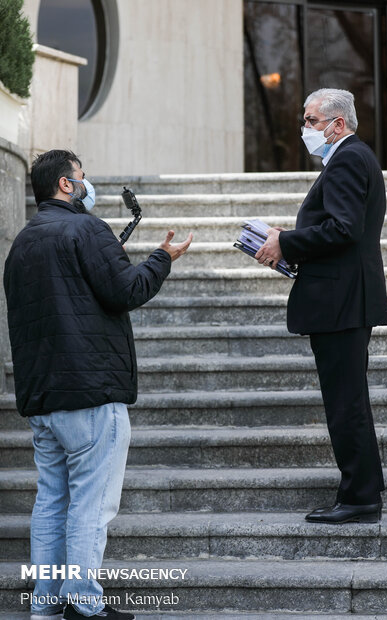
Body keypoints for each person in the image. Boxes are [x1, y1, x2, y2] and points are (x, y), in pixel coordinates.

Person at [3, 149, 192, 620]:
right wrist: (162, 258)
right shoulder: (86, 228)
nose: (88, 185)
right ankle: (83, 605)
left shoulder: (21, 243)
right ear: (66, 185)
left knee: (51, 502)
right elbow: (126, 290)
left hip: (42, 398)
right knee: (91, 503)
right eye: (82, 178)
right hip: (89, 393)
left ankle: (45, 606)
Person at [256, 88, 387, 524]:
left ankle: (360, 498)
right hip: (343, 298)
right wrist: (286, 240)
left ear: (337, 124)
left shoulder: (349, 157)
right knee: (348, 400)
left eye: (311, 121)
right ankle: (362, 491)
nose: (304, 128)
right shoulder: (350, 157)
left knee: (346, 403)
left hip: (342, 302)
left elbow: (344, 229)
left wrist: (286, 243)